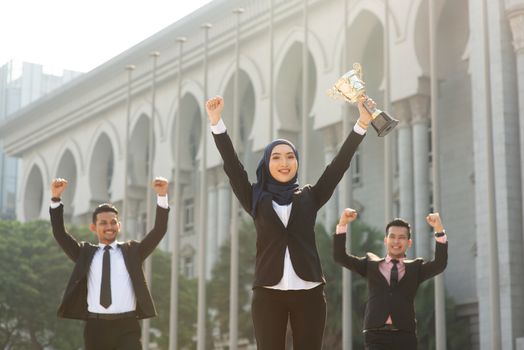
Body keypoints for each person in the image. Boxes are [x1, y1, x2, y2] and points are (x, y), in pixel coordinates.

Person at [206, 95, 373, 350]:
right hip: (268, 292)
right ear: (266, 163)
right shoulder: (254, 197)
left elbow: (338, 166)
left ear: (296, 161)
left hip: (309, 291)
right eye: (276, 157)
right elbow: (232, 166)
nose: (284, 163)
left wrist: (361, 123)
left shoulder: (310, 196)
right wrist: (217, 123)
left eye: (289, 157)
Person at [49, 176, 170, 350]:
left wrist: (162, 196)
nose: (109, 226)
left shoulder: (133, 252)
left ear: (119, 226)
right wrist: (55, 198)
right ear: (94, 227)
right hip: (95, 327)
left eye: (113, 222)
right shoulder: (84, 253)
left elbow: (159, 231)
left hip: (127, 326)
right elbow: (60, 233)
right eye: (103, 223)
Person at [333, 208, 448, 350]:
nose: (396, 241)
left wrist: (439, 229)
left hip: (405, 337)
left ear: (409, 242)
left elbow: (440, 264)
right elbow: (340, 257)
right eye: (392, 237)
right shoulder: (370, 265)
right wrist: (343, 223)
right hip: (375, 335)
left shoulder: (415, 268)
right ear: (385, 240)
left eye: (401, 237)